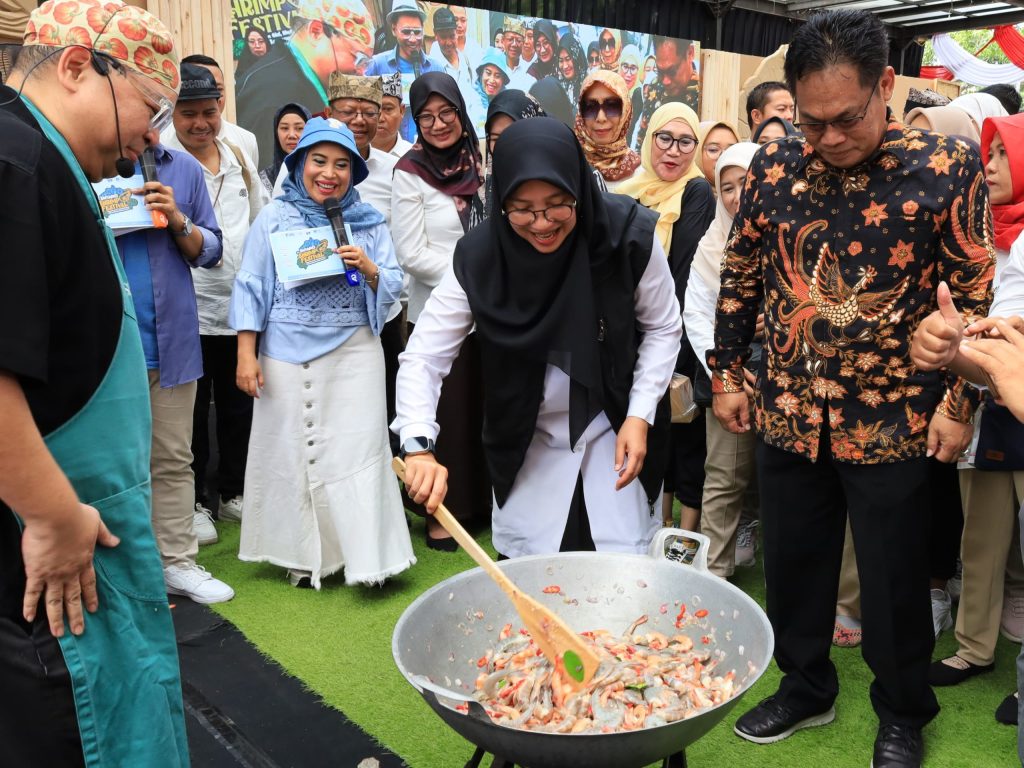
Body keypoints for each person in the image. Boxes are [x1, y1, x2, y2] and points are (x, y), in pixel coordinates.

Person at [710, 11, 993, 767]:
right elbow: (740, 277)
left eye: (846, 119)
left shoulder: (945, 166)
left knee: (895, 579)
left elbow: (971, 292)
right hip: (789, 408)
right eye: (811, 123)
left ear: (887, 86)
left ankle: (902, 710)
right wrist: (729, 373)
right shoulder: (773, 166)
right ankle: (805, 687)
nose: (829, 139)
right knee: (793, 561)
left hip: (895, 415)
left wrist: (959, 404)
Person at [0, 3, 190, 763]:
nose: (154, 137)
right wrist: (51, 519)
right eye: (151, 107)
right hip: (49, 539)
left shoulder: (42, 157)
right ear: (80, 66)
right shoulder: (15, 163)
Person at [395, 117, 682, 559]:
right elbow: (425, 356)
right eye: (522, 208)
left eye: (556, 204)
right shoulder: (481, 257)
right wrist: (418, 445)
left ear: (580, 189)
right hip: (525, 437)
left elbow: (663, 327)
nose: (541, 223)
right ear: (500, 199)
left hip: (616, 427)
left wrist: (640, 414)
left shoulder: (627, 238)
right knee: (532, 581)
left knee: (621, 584)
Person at [229, 118, 413, 589]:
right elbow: (252, 284)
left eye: (342, 164)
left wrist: (369, 269)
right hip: (283, 354)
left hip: (355, 353)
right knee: (290, 448)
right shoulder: (273, 218)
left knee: (357, 448)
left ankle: (367, 558)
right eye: (319, 160)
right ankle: (305, 555)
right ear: (299, 163)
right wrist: (245, 354)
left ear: (354, 172)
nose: (329, 173)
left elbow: (393, 284)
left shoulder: (368, 222)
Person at [911, 112, 1024, 689]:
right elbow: (984, 335)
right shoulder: (982, 231)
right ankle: (974, 649)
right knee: (981, 535)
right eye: (990, 152)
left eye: (1006, 154)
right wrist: (954, 356)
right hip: (989, 409)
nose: (992, 164)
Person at [111, 98, 234, 606]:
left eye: (154, 114)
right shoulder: (86, 162)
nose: (150, 125)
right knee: (113, 463)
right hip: (108, 343)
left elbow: (212, 249)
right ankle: (120, 572)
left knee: (172, 458)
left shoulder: (182, 168)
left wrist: (177, 218)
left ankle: (177, 563)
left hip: (173, 337)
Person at [165, 62, 270, 538]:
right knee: (190, 409)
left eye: (209, 111)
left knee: (238, 404)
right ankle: (194, 503)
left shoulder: (241, 143)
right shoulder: (160, 155)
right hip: (186, 304)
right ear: (173, 113)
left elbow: (257, 213)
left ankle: (233, 493)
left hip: (240, 298)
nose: (201, 123)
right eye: (189, 114)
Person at [391, 72, 491, 548]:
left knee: (481, 410)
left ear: (459, 112)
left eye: (446, 113)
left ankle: (483, 503)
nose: (437, 124)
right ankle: (439, 515)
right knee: (445, 415)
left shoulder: (482, 162)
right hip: (438, 309)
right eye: (426, 116)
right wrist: (471, 280)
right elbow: (410, 252)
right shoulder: (409, 172)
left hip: (491, 314)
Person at [620, 103, 715, 532]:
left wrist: (656, 332)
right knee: (648, 433)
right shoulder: (629, 190)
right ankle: (652, 525)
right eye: (664, 138)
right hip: (630, 335)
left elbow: (681, 270)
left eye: (685, 142)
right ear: (649, 137)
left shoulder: (696, 193)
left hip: (674, 335)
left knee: (684, 439)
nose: (673, 151)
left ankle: (685, 536)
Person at [683, 141, 760, 576]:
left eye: (744, 182)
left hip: (786, 373)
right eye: (725, 187)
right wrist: (726, 364)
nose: (735, 195)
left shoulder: (789, 235)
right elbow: (693, 313)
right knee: (724, 477)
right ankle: (714, 573)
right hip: (729, 374)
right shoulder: (712, 245)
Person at [236, 0, 375, 165]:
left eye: (366, 62)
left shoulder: (301, 79)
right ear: (316, 32)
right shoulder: (274, 92)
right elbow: (269, 177)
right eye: (357, 57)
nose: (360, 71)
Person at [180, 53, 260, 170]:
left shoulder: (246, 140)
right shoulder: (160, 143)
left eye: (217, 89)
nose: (210, 97)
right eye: (199, 89)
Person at [575, 69, 640, 190]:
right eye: (590, 107)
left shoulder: (643, 176)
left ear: (626, 111)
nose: (601, 118)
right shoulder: (570, 167)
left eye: (612, 106)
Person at [635, 36, 699, 149]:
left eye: (672, 72)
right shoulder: (654, 88)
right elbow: (641, 144)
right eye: (660, 72)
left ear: (690, 53)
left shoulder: (705, 96)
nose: (665, 81)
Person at [259, 102, 310, 192]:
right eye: (285, 128)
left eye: (299, 128)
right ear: (276, 132)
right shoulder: (265, 180)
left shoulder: (319, 174)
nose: (291, 135)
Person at [373, 72, 413, 158]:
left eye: (388, 109)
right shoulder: (350, 157)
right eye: (372, 111)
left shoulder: (417, 158)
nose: (380, 119)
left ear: (401, 111)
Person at [697, 120, 739, 190]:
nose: (723, 157)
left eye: (731, 150)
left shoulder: (750, 195)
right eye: (713, 150)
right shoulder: (685, 196)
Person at [501, 17, 535, 91]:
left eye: (518, 40)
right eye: (510, 39)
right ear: (503, 40)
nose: (514, 44)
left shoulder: (528, 71)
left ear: (523, 43)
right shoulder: (496, 66)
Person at [474, 47, 511, 115]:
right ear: (481, 73)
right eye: (488, 73)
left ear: (503, 80)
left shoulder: (508, 104)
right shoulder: (470, 98)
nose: (491, 80)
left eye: (497, 76)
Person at [556, 32, 587, 105]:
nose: (565, 66)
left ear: (577, 58)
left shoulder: (589, 84)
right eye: (561, 60)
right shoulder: (558, 87)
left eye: (568, 59)